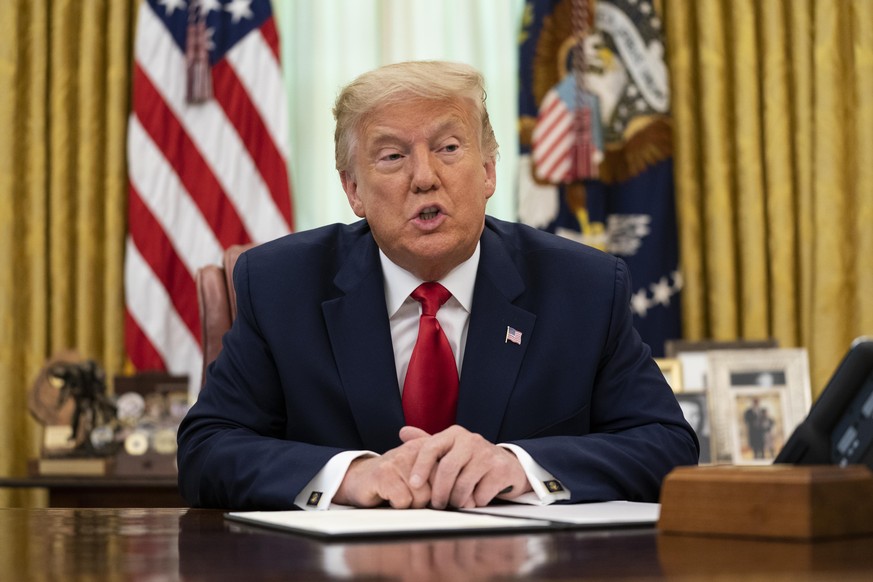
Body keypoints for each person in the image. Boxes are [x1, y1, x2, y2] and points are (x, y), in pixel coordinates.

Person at [176, 60, 699, 511]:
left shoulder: (583, 287)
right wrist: (348, 475)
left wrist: (519, 466)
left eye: (449, 147)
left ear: (490, 171)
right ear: (353, 189)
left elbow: (666, 445)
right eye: (392, 156)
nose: (425, 177)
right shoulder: (281, 284)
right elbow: (206, 449)